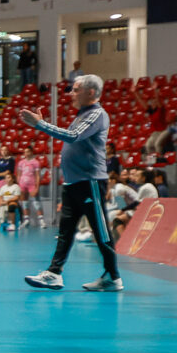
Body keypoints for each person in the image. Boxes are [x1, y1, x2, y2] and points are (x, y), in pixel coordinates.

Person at [19, 74, 123, 291]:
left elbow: (73, 136)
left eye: (76, 90)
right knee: (65, 231)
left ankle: (113, 277)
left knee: (100, 231)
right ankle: (54, 273)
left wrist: (41, 125)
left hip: (90, 182)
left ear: (91, 92)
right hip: (73, 183)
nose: (71, 94)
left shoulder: (97, 114)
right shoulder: (82, 115)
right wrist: (41, 125)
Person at [135, 80, 170, 155]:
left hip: (164, 131)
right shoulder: (151, 112)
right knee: (148, 145)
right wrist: (135, 92)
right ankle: (152, 159)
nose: (153, 103)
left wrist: (155, 90)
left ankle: (160, 158)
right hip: (156, 132)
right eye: (152, 102)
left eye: (154, 102)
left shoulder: (161, 110)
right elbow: (141, 102)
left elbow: (158, 100)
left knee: (157, 144)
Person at [16, 146, 46, 227]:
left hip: (32, 184)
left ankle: (41, 221)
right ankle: (26, 220)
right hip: (23, 184)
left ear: (31, 152)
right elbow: (19, 175)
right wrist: (18, 185)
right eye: (25, 152)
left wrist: (37, 187)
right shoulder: (21, 162)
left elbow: (38, 176)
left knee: (37, 203)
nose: (26, 153)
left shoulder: (36, 162)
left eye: (28, 151)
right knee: (24, 202)